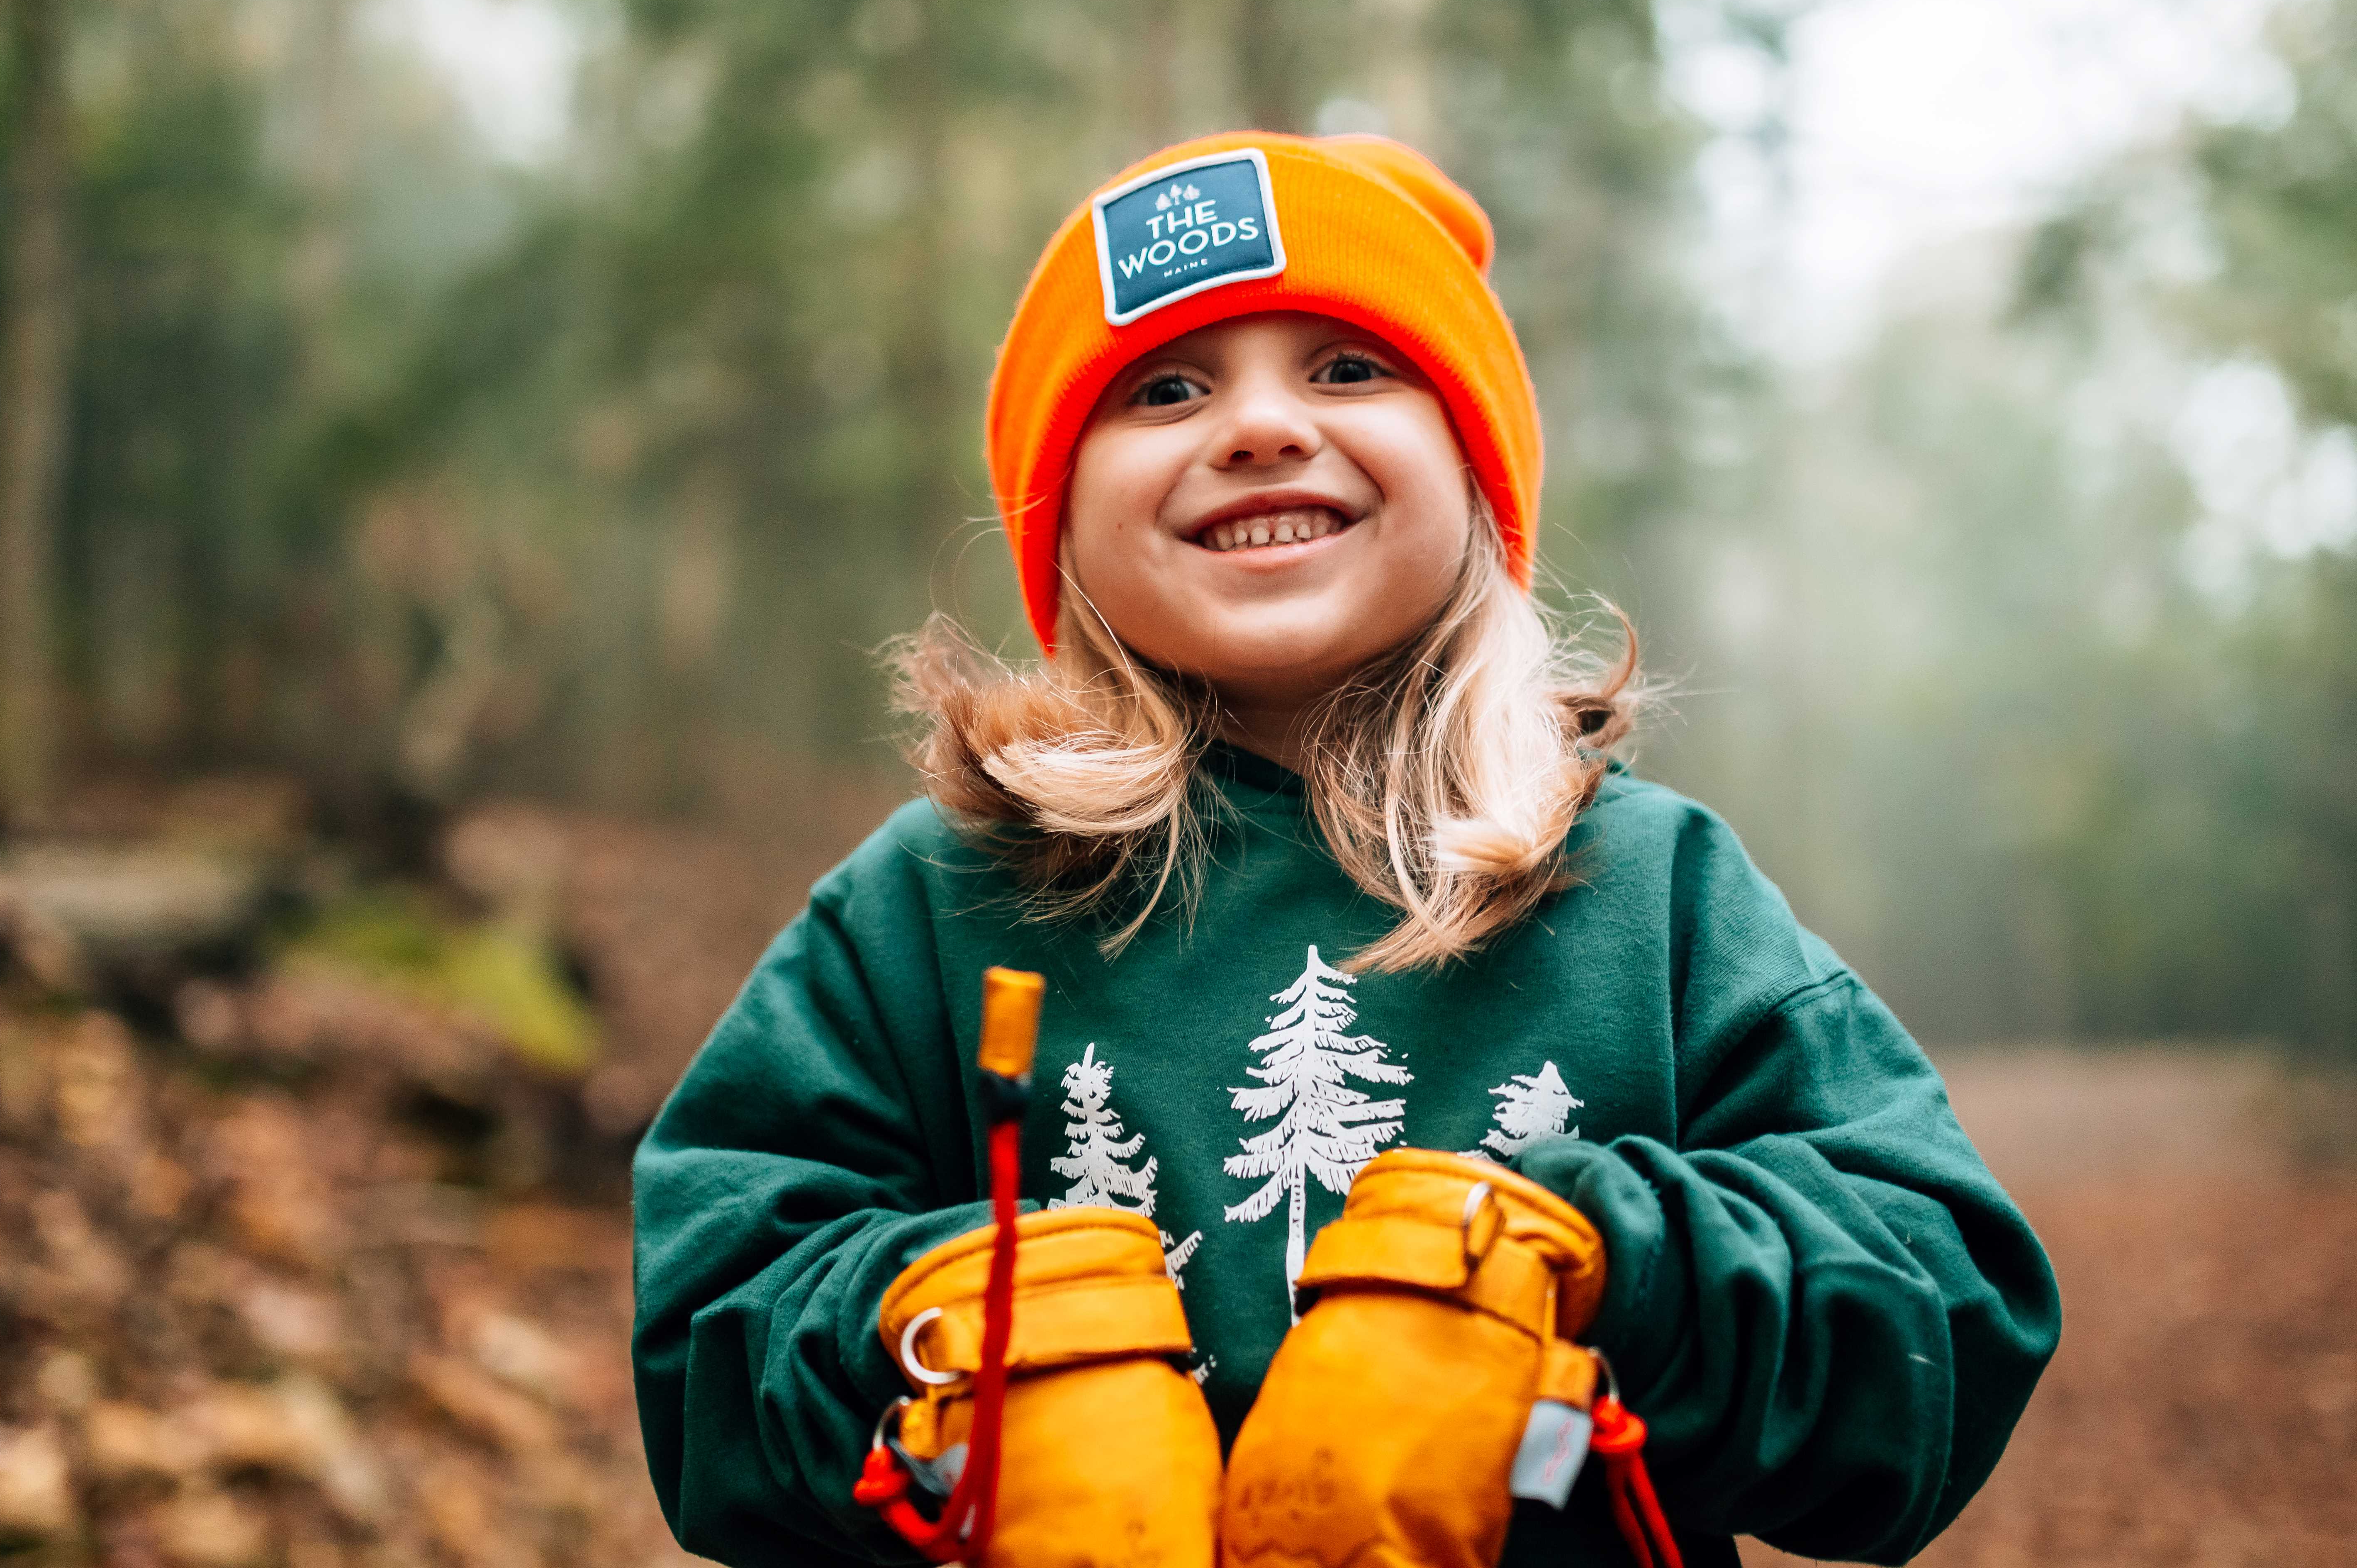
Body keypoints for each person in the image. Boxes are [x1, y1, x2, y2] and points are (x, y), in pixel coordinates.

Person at [631, 131, 2060, 1568]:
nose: (1257, 428)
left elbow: (1946, 1295)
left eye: (1348, 368)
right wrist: (938, 1348)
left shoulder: (1649, 886)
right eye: (1167, 386)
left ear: (1473, 472)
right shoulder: (930, 903)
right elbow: (713, 1320)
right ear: (1061, 519)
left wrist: (1601, 1267)